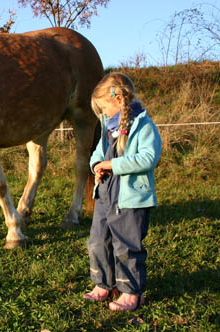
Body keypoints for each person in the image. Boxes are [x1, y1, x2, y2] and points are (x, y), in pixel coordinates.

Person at [83, 72, 162, 311]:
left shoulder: (144, 125)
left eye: (104, 107)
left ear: (118, 100)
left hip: (129, 199)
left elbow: (148, 158)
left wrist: (113, 165)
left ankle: (130, 292)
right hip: (105, 195)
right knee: (97, 241)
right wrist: (97, 166)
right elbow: (98, 153)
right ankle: (103, 284)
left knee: (127, 246)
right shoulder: (109, 127)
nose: (104, 113)